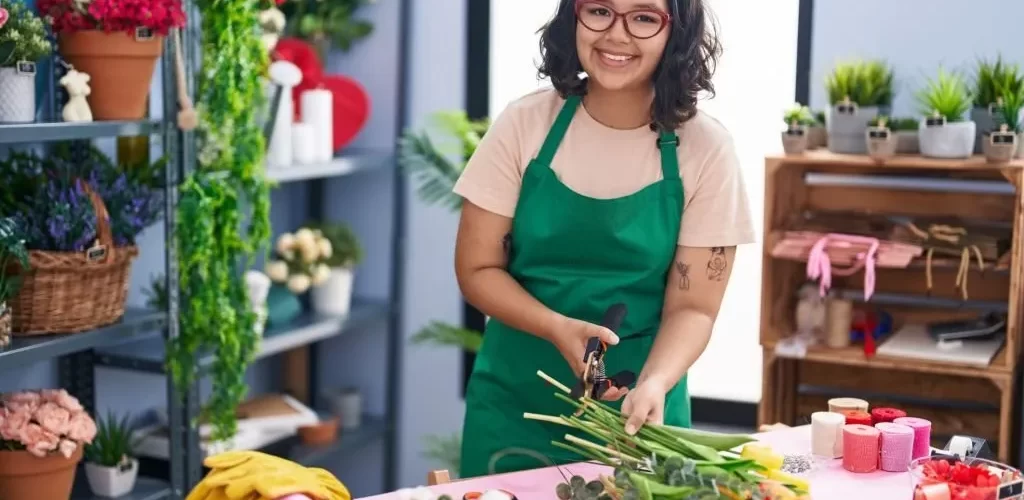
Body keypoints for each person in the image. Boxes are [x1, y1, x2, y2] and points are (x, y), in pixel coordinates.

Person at [453, 0, 755, 478]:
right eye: (599, 10)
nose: (616, 34)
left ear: (674, 31)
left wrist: (656, 383)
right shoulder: (524, 125)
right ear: (573, 16)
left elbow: (693, 307)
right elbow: (476, 269)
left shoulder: (706, 150)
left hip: (639, 413)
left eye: (643, 16)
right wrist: (556, 327)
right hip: (515, 405)